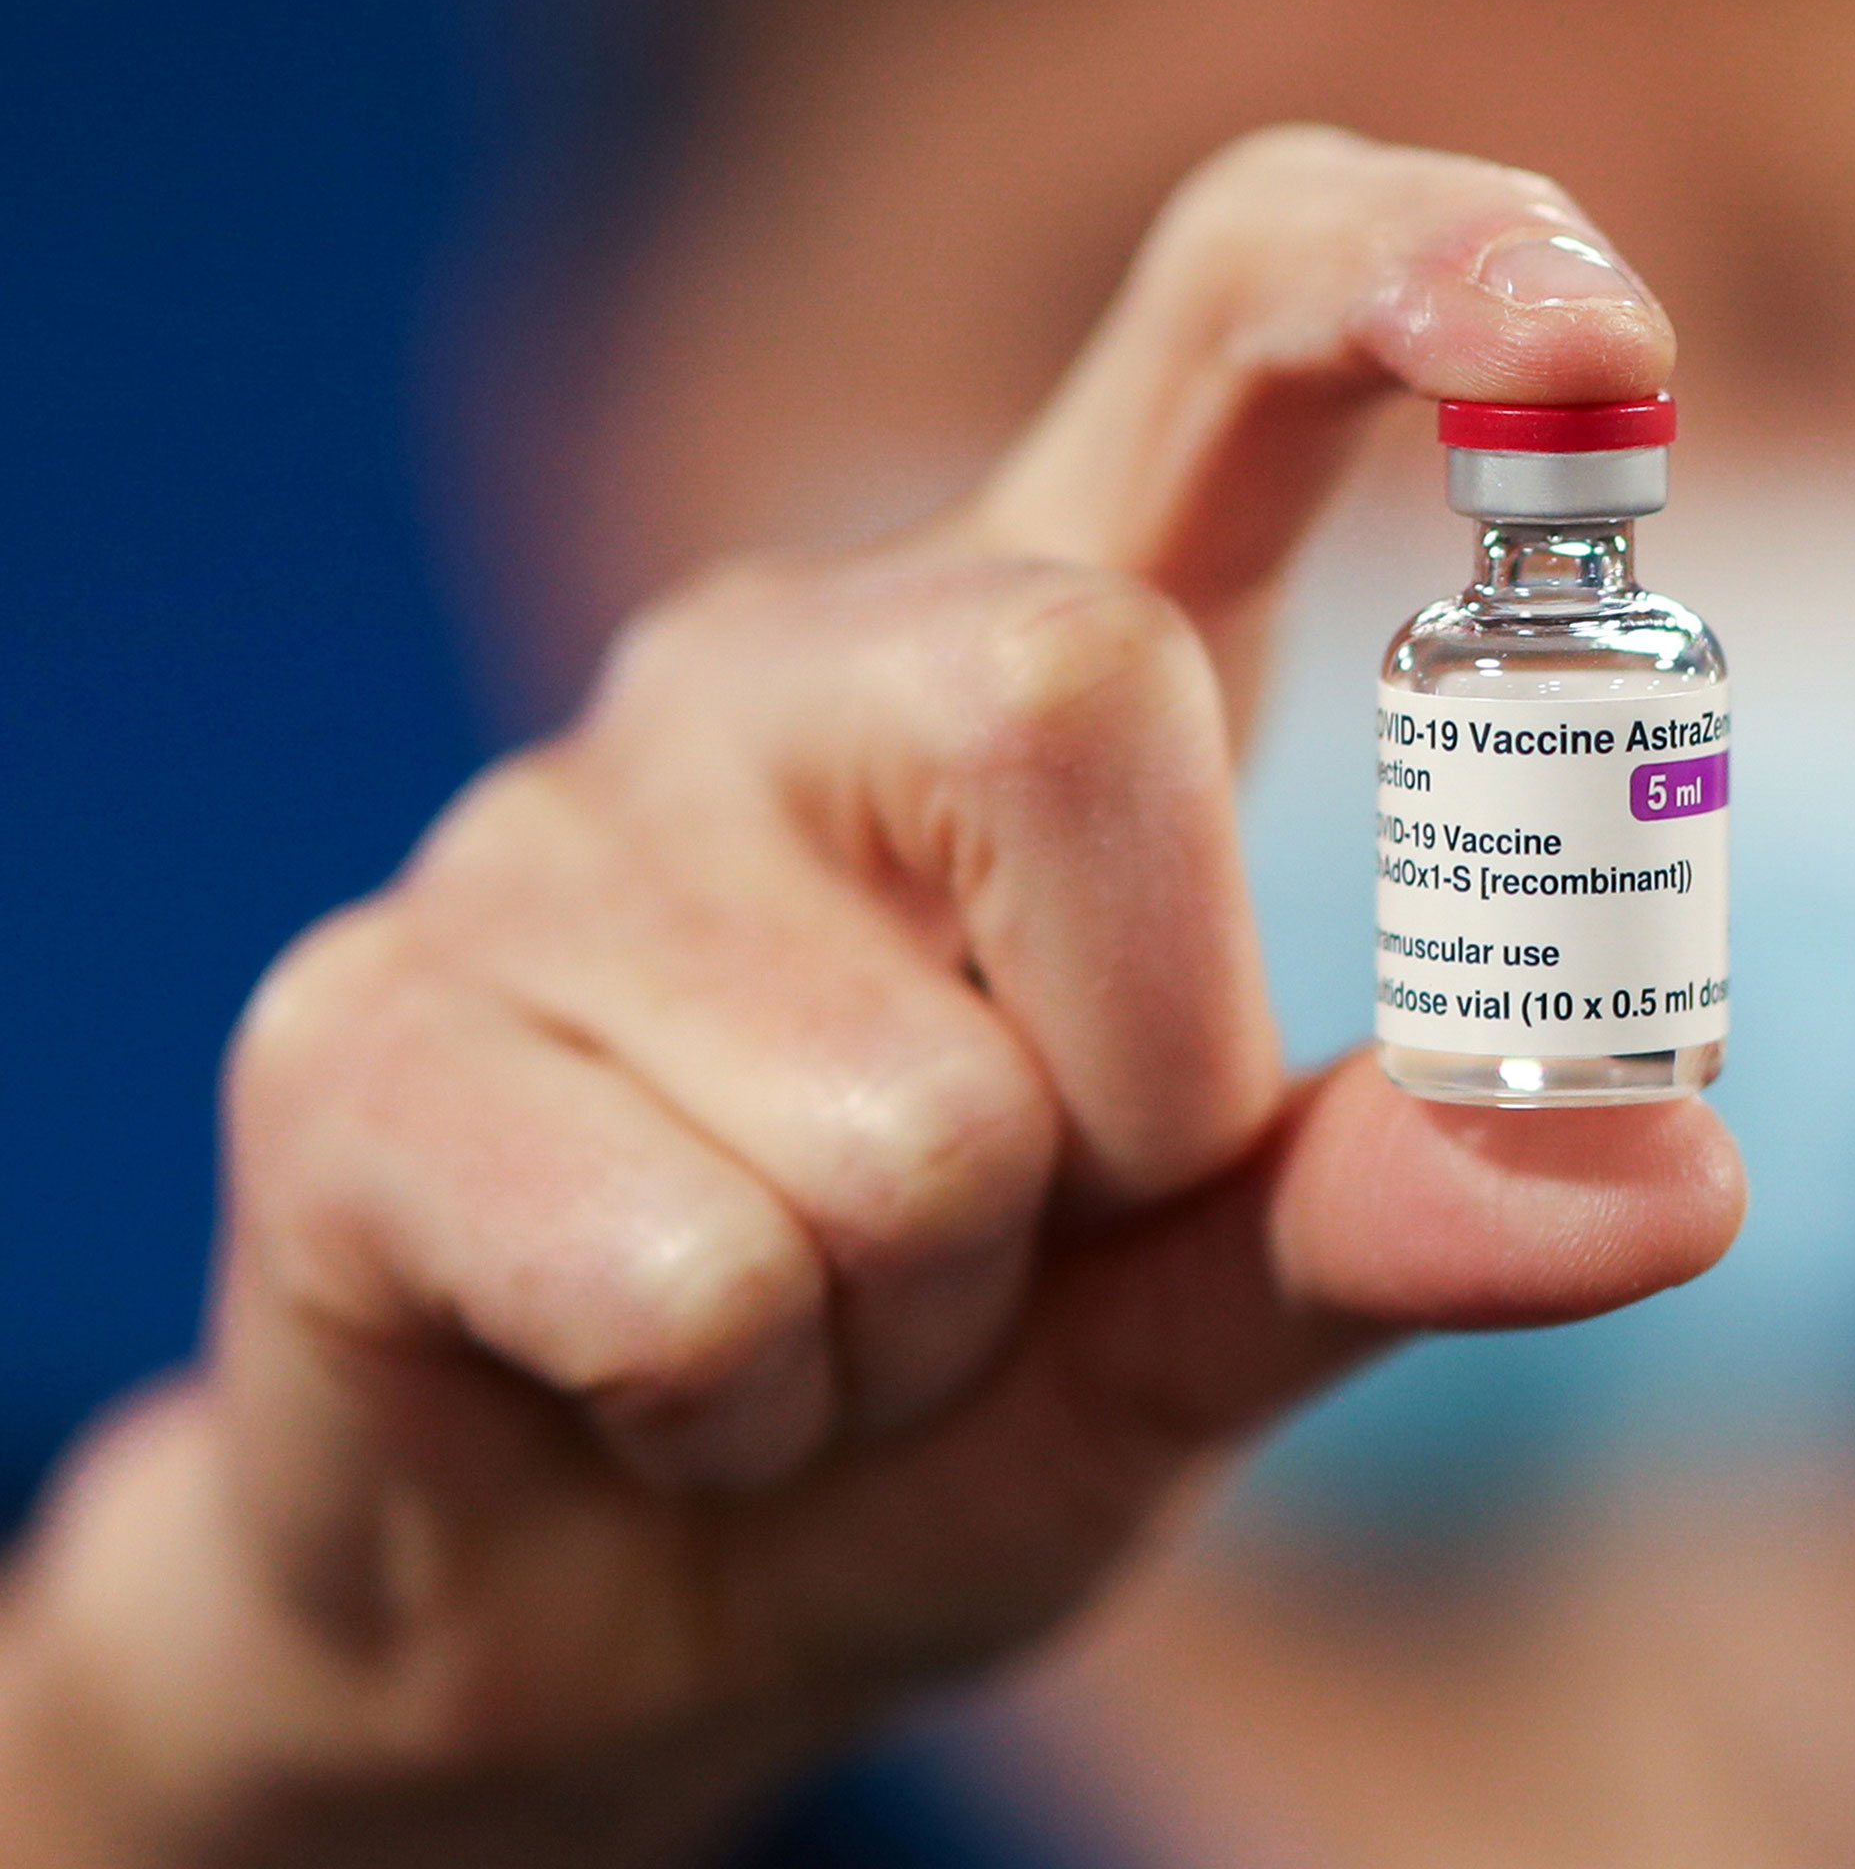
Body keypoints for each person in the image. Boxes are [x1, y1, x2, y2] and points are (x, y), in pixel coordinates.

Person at [0, 133, 1746, 1865]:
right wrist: (167, 1780)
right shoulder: (223, 1618)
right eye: (1070, 289)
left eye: (1814, 303)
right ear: (641, 402)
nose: (1376, 467)